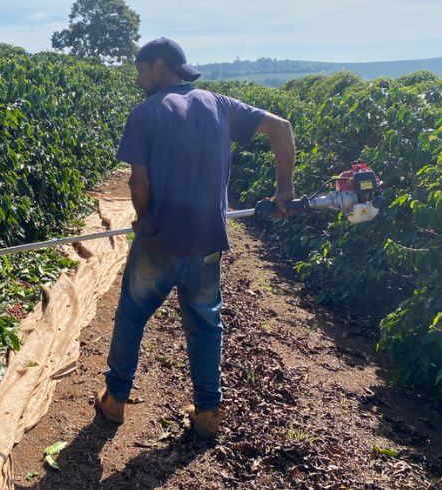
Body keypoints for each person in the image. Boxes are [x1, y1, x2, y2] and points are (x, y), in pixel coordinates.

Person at [95, 37, 296, 437]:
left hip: (160, 240)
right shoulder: (220, 104)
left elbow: (139, 182)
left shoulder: (146, 112)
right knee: (206, 324)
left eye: (140, 69)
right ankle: (207, 412)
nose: (138, 79)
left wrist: (142, 221)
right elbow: (282, 128)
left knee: (133, 314)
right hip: (207, 241)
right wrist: (284, 191)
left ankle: (115, 400)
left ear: (159, 66)